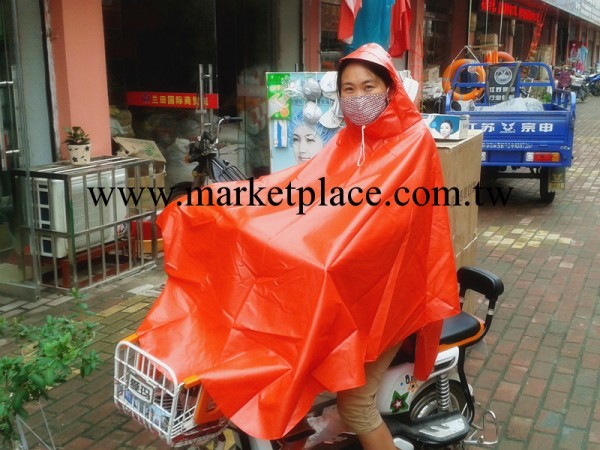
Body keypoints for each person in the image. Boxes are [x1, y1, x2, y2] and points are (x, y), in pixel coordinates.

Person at [137, 43, 459, 446]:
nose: (358, 98)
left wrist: (326, 254)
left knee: (356, 406)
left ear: (389, 88)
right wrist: (231, 207)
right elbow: (300, 188)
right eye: (348, 90)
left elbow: (388, 228)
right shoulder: (350, 139)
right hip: (355, 291)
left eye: (368, 86)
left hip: (392, 300)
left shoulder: (413, 142)